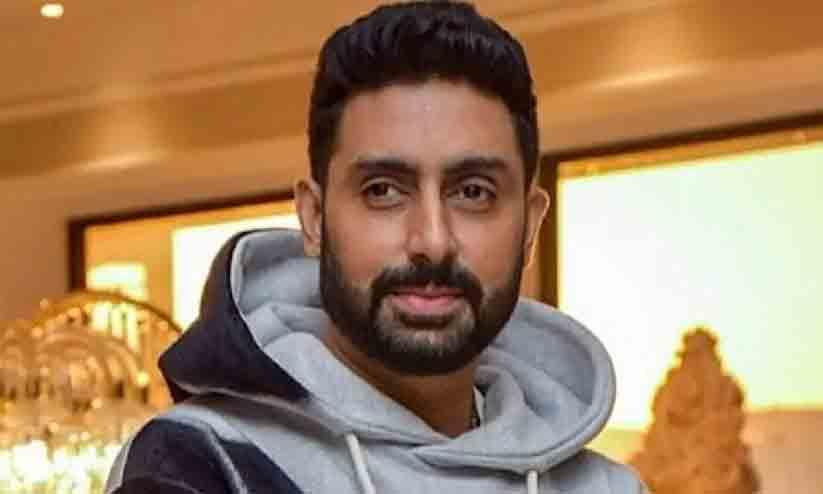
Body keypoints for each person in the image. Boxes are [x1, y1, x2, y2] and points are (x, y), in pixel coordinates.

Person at [106, 2, 646, 493]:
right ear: (314, 219)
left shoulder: (607, 489)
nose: (432, 240)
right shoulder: (201, 462)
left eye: (473, 192)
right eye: (383, 191)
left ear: (530, 225)